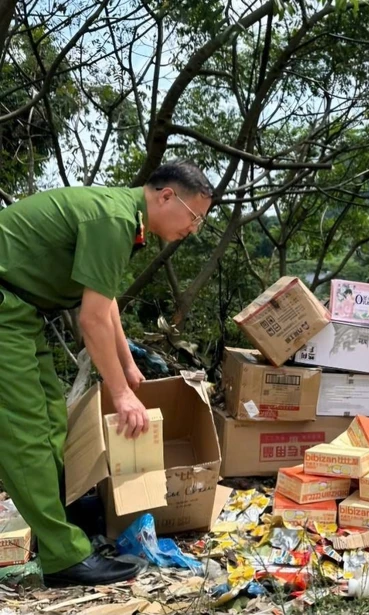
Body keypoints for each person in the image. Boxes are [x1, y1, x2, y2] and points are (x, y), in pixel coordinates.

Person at [0, 160, 213, 587]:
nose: (194, 229)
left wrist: (129, 367)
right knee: (24, 432)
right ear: (166, 196)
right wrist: (121, 394)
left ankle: (66, 517)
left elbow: (105, 300)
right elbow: (91, 320)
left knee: (51, 417)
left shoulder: (125, 218)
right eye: (194, 217)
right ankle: (64, 558)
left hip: (22, 313)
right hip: (6, 307)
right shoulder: (114, 218)